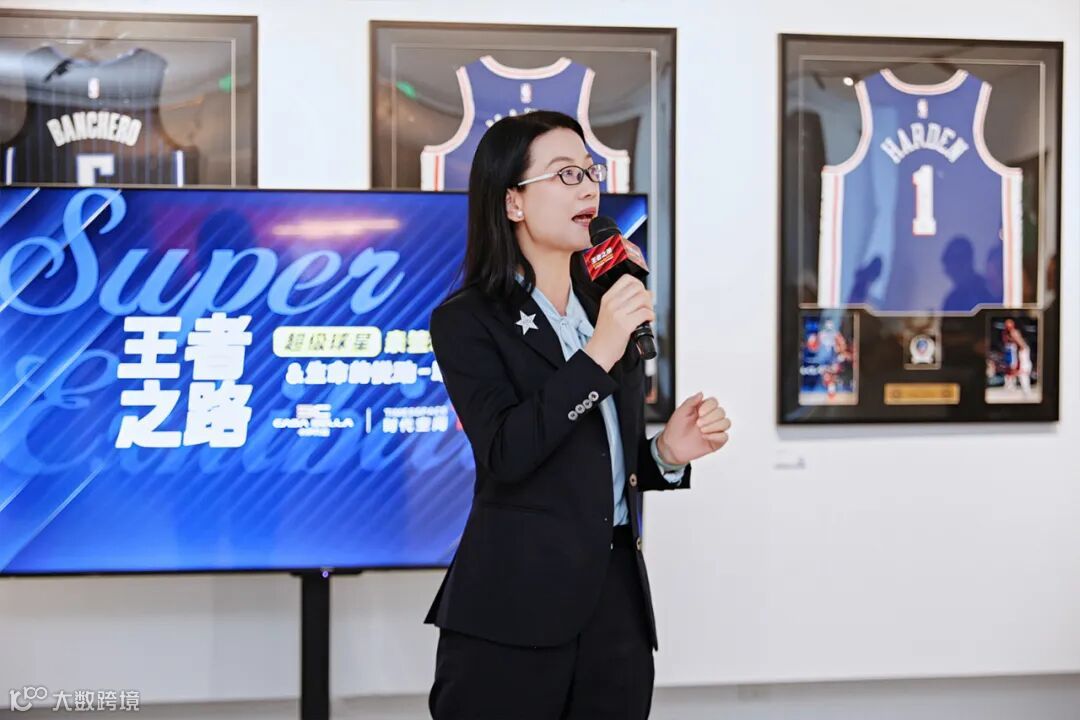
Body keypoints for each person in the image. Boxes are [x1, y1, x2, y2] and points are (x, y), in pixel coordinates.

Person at [424, 110, 732, 719]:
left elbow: (592, 460)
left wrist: (666, 454)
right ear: (513, 201)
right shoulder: (468, 320)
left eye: (591, 172)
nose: (589, 187)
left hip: (615, 603)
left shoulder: (606, 303)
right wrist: (599, 352)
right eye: (566, 174)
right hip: (513, 607)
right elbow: (508, 453)